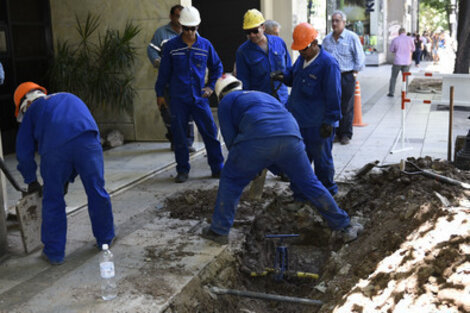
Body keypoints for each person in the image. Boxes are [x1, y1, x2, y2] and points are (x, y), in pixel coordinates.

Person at [201, 74, 363, 245]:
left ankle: (219, 230)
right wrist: (277, 168)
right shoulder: (261, 95)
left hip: (257, 139)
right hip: (292, 137)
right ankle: (344, 226)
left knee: (230, 181)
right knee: (310, 183)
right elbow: (278, 136)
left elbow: (231, 140)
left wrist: (249, 165)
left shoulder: (227, 102)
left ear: (220, 95)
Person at [13, 82, 115, 265]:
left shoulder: (32, 109)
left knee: (53, 199)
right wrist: (69, 175)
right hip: (90, 142)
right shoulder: (68, 96)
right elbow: (82, 132)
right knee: (97, 191)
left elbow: (23, 153)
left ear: (25, 104)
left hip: (55, 150)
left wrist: (31, 180)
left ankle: (54, 253)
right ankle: (106, 239)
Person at [155, 6, 224, 183]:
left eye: (193, 28)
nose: (189, 32)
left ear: (198, 26)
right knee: (179, 135)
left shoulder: (205, 45)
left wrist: (210, 87)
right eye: (186, 28)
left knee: (210, 132)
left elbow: (217, 67)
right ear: (180, 25)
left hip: (200, 99)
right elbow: (163, 73)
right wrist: (160, 94)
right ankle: (182, 170)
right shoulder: (171, 47)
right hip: (178, 99)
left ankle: (217, 167)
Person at [272, 23, 341, 196]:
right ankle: (300, 194)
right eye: (300, 50)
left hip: (318, 123)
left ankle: (327, 195)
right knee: (299, 160)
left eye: (304, 49)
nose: (301, 52)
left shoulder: (328, 64)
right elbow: (294, 77)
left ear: (314, 43)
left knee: (322, 161)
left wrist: (330, 121)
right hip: (299, 120)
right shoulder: (302, 60)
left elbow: (334, 95)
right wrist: (284, 76)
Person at [147, 5, 195, 152]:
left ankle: (188, 142)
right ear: (171, 16)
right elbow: (151, 50)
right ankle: (175, 141)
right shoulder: (162, 33)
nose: (180, 20)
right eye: (177, 16)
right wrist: (159, 63)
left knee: (189, 115)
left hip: (188, 83)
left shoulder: (191, 33)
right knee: (169, 114)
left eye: (182, 17)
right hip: (168, 82)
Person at [323, 10, 365, 145]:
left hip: (346, 75)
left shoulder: (351, 37)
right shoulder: (327, 39)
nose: (334, 23)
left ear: (344, 22)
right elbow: (323, 57)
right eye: (333, 21)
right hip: (331, 77)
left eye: (337, 21)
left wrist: (355, 72)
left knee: (346, 106)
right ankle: (335, 133)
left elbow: (359, 56)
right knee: (333, 104)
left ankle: (345, 134)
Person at [236, 9, 291, 105]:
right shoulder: (243, 52)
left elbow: (289, 68)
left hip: (282, 99)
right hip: (261, 102)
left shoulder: (279, 42)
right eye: (248, 32)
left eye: (255, 31)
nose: (252, 35)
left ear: (263, 27)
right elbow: (244, 82)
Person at [387, 27, 415, 97]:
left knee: (393, 77)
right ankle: (404, 92)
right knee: (405, 77)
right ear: (405, 32)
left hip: (397, 61)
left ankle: (391, 92)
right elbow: (413, 49)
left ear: (399, 33)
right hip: (407, 62)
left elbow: (391, 50)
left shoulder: (395, 40)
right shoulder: (410, 39)